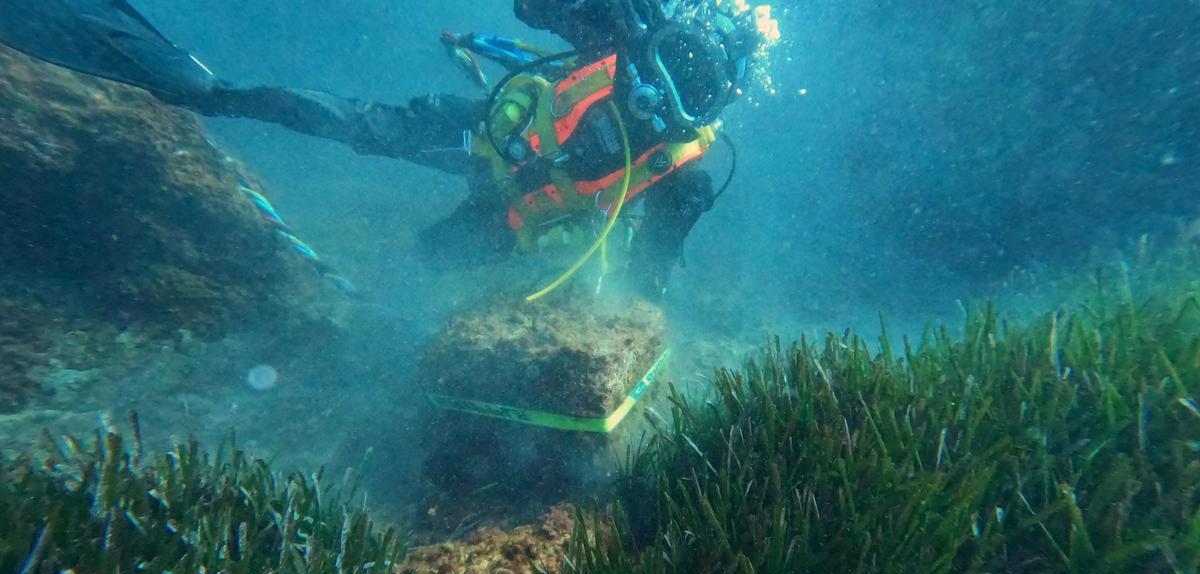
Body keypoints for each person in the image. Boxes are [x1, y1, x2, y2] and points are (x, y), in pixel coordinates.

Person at [0, 0, 779, 299]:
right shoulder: (621, 29)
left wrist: (598, 313)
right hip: (486, 134)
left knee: (428, 264)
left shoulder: (684, 178)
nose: (654, 103)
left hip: (518, 222)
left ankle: (382, 305)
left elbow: (647, 289)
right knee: (355, 124)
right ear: (651, 44)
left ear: (710, 114)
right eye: (657, 73)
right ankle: (195, 83)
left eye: (682, 104)